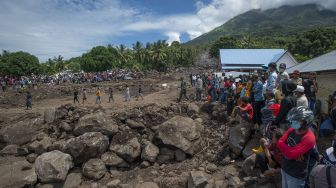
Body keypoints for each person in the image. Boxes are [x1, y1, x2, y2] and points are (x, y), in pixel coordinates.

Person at [277, 106, 316, 188]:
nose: (293, 122)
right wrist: (291, 152)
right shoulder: (292, 129)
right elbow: (279, 142)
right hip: (285, 168)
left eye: (297, 120)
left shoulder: (309, 137)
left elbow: (291, 153)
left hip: (296, 174)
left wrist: (288, 151)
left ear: (306, 122)